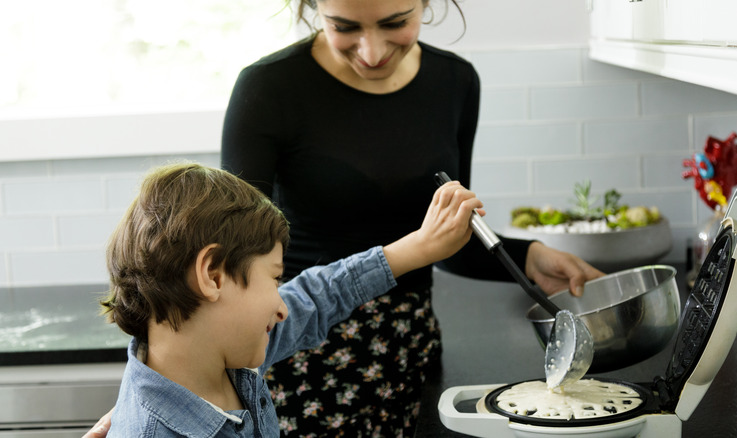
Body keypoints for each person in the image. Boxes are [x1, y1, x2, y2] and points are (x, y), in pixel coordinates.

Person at [84, 0, 604, 436]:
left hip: (406, 350)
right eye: (344, 27)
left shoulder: (456, 82)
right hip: (294, 355)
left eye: (395, 21)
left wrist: (528, 256)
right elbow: (225, 255)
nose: (372, 52)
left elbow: (440, 240)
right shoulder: (269, 90)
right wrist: (159, 393)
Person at [95, 162, 483, 437]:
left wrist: (419, 247)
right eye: (275, 278)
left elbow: (318, 294)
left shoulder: (216, 347)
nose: (282, 306)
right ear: (212, 275)